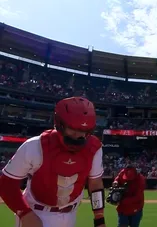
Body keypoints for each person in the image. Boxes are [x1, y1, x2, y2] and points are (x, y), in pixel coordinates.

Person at [0, 97, 106, 227]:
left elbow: (95, 183)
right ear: (59, 124)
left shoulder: (94, 148)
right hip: (35, 213)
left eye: (84, 131)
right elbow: (7, 183)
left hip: (70, 215)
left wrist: (99, 217)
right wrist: (25, 214)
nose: (78, 135)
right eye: (72, 128)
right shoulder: (35, 146)